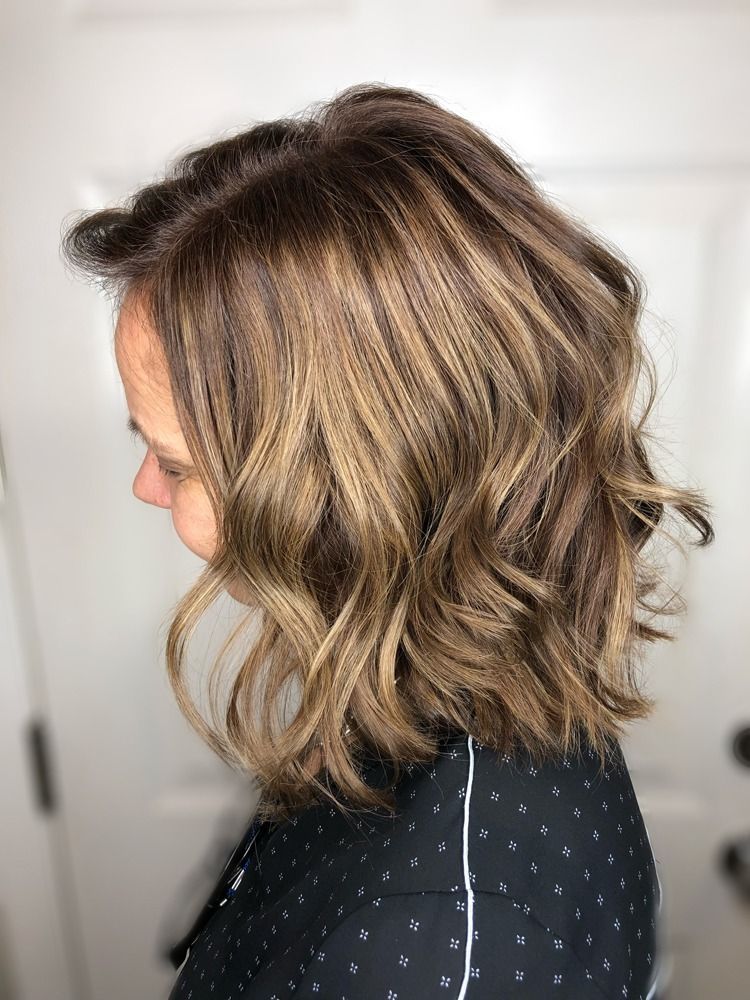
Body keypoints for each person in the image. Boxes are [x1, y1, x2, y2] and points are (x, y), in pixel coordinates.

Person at [60, 82, 714, 999]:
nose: (143, 487)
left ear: (353, 491)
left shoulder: (445, 942)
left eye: (175, 463)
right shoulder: (434, 685)